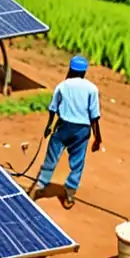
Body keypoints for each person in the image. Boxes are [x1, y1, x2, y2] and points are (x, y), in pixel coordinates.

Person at [31, 55, 102, 209]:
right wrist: (98, 139)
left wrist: (49, 126)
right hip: (82, 130)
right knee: (77, 163)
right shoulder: (92, 89)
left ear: (70, 69)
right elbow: (94, 117)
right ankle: (69, 194)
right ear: (84, 72)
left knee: (51, 158)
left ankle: (39, 186)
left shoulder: (62, 86)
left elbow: (53, 109)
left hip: (63, 126)